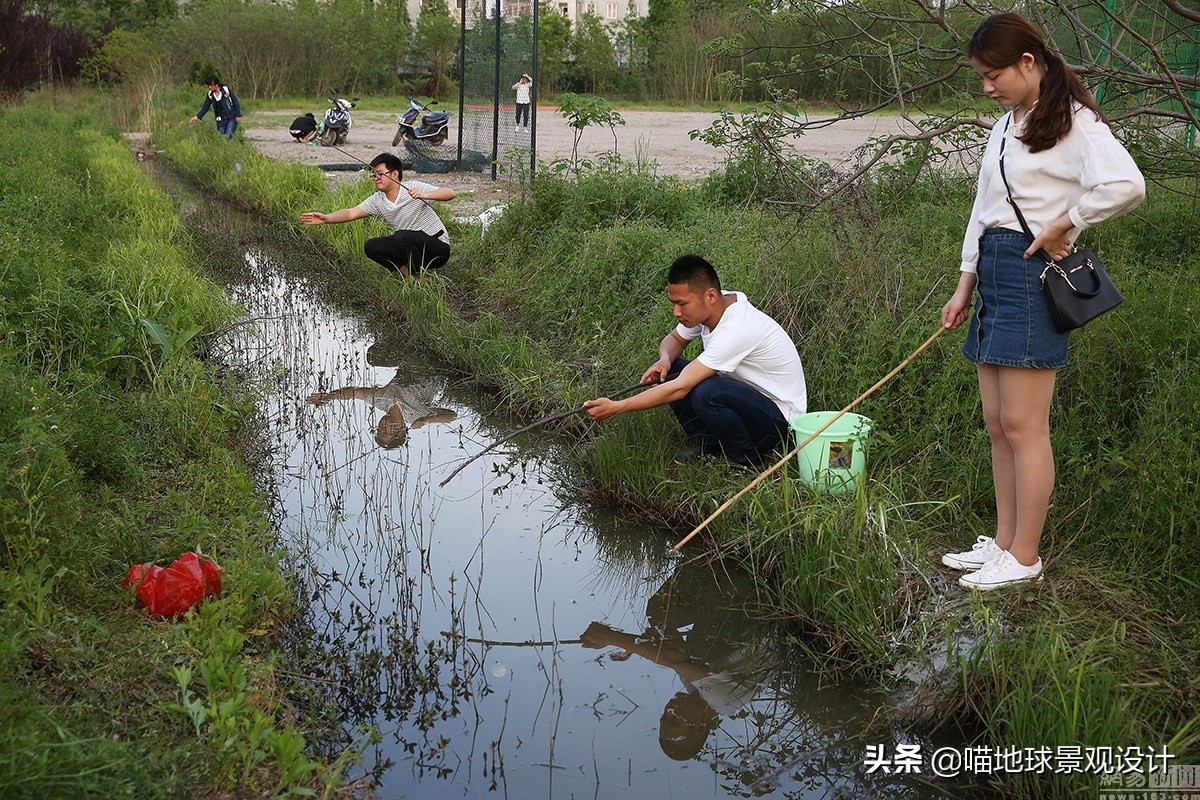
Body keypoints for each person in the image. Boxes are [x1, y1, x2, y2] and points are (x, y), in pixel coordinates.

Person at [940, 12, 1144, 591]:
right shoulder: (1008, 123)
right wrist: (964, 282)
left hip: (1033, 273)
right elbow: (982, 209)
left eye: (993, 74)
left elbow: (1127, 185)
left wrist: (1068, 223)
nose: (987, 86)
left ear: (1028, 63)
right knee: (997, 422)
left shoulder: (1076, 121)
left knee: (1026, 426)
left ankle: (1025, 557)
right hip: (994, 272)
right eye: (981, 77)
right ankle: (1002, 544)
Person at [583, 255, 807, 468]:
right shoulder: (713, 306)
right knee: (670, 371)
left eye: (682, 304)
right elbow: (674, 339)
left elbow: (680, 388)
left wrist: (616, 407)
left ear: (710, 296)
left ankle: (746, 460)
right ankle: (709, 446)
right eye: (673, 303)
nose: (676, 312)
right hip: (747, 399)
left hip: (781, 424)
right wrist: (665, 359)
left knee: (706, 391)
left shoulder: (737, 328)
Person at [300, 153, 456, 278]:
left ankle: (415, 273)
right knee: (371, 246)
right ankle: (411, 276)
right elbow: (351, 213)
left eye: (380, 174)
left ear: (394, 174)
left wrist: (424, 194)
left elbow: (450, 193)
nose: (376, 179)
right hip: (410, 246)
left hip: (438, 248)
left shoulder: (413, 188)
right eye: (373, 175)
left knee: (402, 236)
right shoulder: (378, 200)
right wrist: (327, 218)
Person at [189, 75, 241, 139]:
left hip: (231, 117)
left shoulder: (226, 90)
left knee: (228, 136)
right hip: (220, 121)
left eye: (211, 85)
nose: (209, 87)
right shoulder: (210, 95)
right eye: (208, 85)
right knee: (221, 138)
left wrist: (238, 115)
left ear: (216, 85)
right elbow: (205, 107)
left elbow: (236, 102)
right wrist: (196, 117)